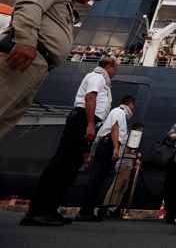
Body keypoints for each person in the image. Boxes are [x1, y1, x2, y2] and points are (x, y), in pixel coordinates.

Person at [0, 0, 106, 140]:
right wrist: (26, 40)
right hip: (24, 57)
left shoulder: (66, 2)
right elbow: (30, 4)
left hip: (36, 65)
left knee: (5, 120)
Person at [19, 57, 117, 226]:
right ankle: (36, 211)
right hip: (83, 119)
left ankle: (50, 210)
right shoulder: (97, 77)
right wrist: (90, 125)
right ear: (108, 67)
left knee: (70, 169)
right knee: (60, 164)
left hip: (88, 122)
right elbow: (89, 98)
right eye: (115, 70)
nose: (115, 73)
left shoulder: (104, 81)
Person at [75, 96, 136, 222]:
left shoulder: (116, 112)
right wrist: (115, 148)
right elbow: (115, 128)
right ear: (130, 104)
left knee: (98, 178)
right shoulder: (120, 112)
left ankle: (88, 210)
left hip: (106, 145)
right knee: (97, 178)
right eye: (133, 106)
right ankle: (85, 212)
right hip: (108, 145)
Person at [101, 122, 144, 218]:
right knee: (116, 187)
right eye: (140, 131)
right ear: (135, 130)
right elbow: (124, 153)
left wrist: (136, 159)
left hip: (128, 166)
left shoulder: (134, 141)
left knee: (122, 188)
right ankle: (105, 207)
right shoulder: (128, 138)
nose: (141, 133)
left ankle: (113, 208)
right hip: (123, 165)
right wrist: (136, 156)